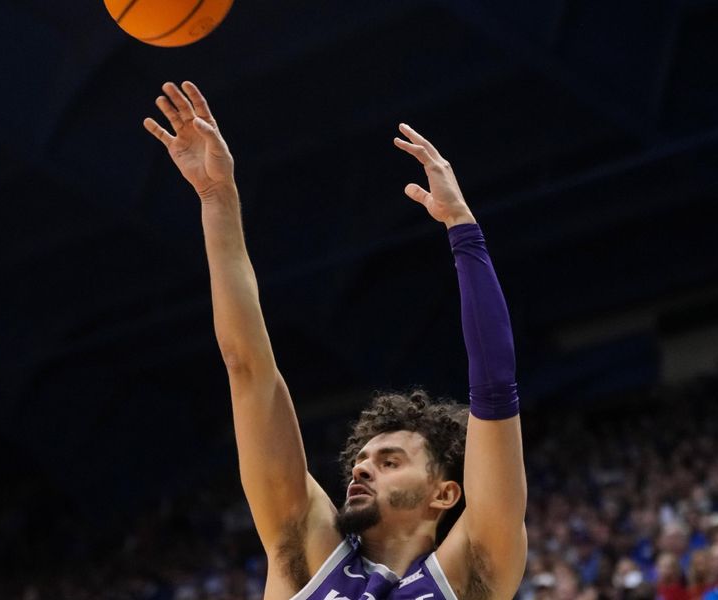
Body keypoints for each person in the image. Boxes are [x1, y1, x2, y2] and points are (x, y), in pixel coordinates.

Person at [143, 81, 527, 600]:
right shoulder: (306, 552)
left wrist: (462, 227)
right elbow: (247, 367)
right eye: (364, 460)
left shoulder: (473, 571)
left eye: (390, 461)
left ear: (444, 493)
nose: (363, 466)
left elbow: (495, 384)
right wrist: (217, 198)